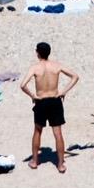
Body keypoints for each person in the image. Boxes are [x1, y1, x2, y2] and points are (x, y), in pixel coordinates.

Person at [22, 42, 78, 173]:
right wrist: (64, 91)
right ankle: (60, 164)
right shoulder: (56, 66)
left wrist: (33, 95)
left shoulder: (35, 68)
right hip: (55, 100)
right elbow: (75, 76)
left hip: (41, 102)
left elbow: (23, 85)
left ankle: (35, 161)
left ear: (37, 53)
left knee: (37, 131)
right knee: (58, 133)